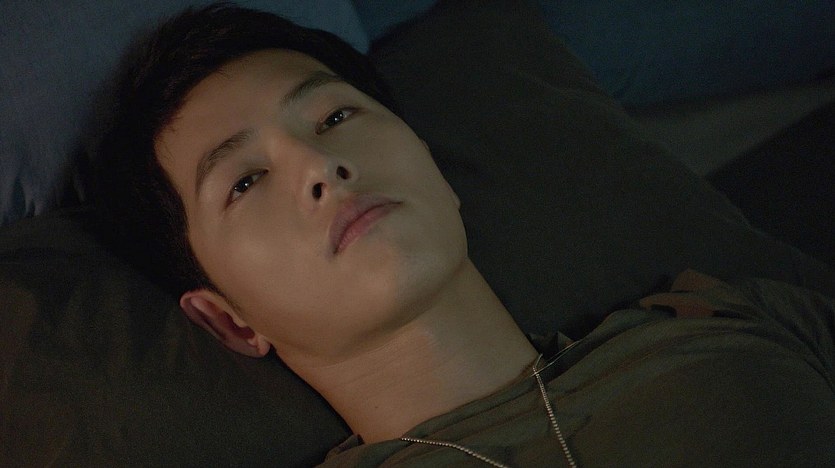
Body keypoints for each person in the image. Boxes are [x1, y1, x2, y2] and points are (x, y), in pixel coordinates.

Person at [95, 4, 835, 466]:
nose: (320, 166)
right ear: (228, 320)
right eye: (246, 181)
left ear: (430, 164)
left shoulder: (723, 322)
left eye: (334, 117)